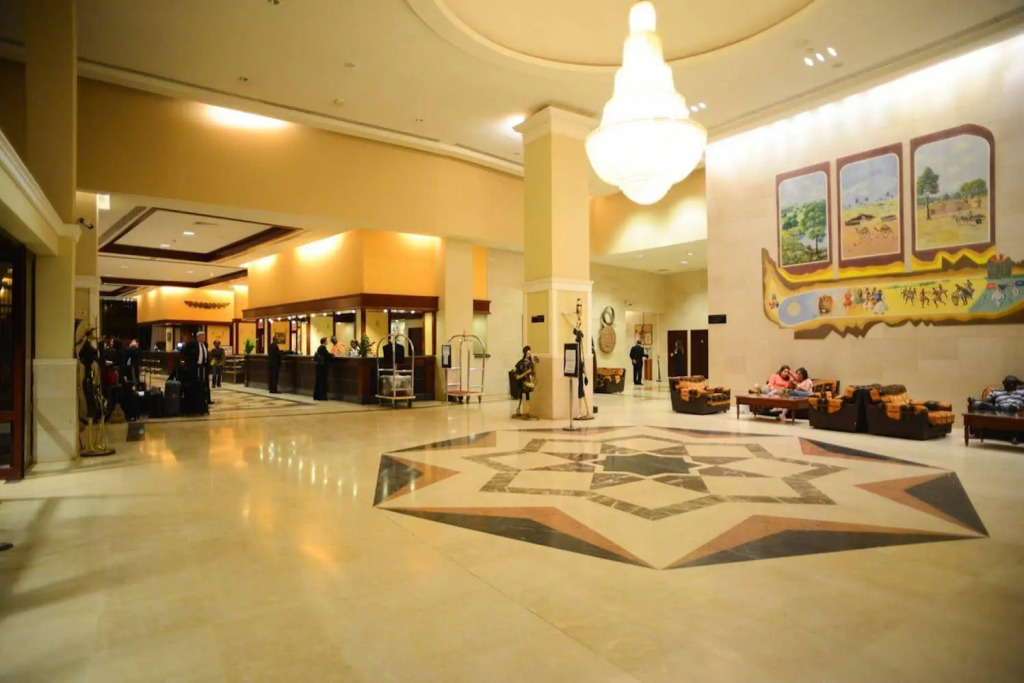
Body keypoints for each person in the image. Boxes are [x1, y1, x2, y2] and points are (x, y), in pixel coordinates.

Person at [182, 331, 210, 415]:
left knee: (204, 385)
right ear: (198, 337)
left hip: (203, 367)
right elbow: (184, 352)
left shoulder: (205, 345)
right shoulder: (193, 344)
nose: (204, 338)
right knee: (195, 384)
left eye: (204, 337)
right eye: (202, 337)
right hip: (195, 367)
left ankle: (204, 403)